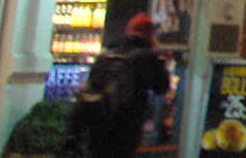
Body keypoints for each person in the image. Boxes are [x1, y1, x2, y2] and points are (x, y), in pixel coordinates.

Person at [66, 13, 173, 158]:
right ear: (149, 36)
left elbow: (89, 90)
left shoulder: (106, 56)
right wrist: (158, 56)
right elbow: (162, 87)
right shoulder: (146, 58)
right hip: (125, 131)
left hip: (96, 129)